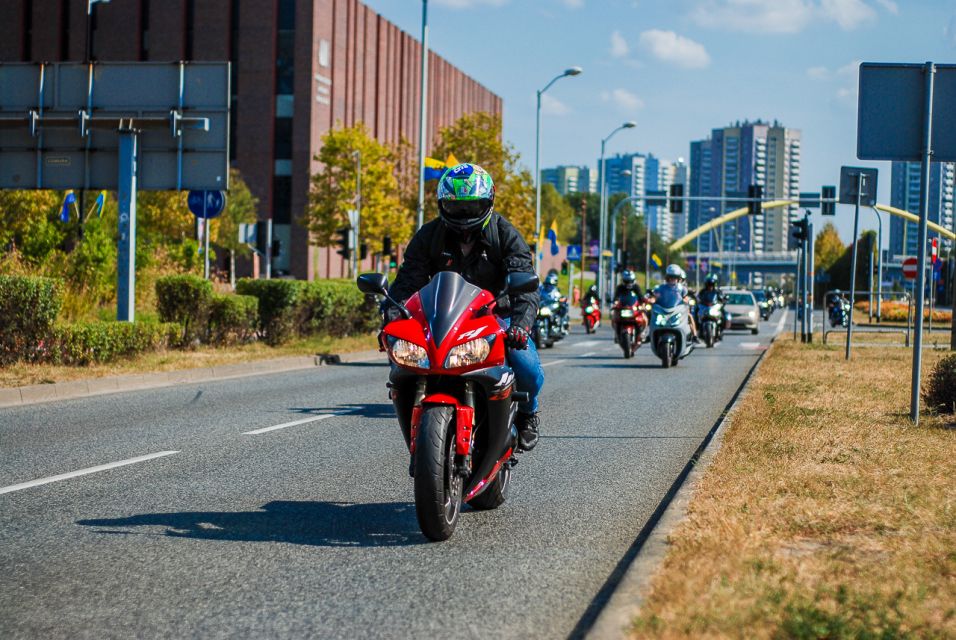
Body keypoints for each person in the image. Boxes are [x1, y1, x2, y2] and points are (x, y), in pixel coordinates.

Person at [385, 163, 544, 452]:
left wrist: (521, 325)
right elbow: (407, 281)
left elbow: (526, 285)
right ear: (443, 205)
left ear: (489, 202)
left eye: (472, 207)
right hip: (444, 317)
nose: (464, 214)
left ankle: (528, 413)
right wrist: (392, 314)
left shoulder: (505, 234)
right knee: (403, 364)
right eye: (456, 207)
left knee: (527, 367)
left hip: (496, 317)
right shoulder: (429, 235)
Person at [650, 264, 699, 342]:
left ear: (678, 279)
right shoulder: (661, 288)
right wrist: (652, 300)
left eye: (675, 277)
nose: (672, 279)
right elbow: (656, 297)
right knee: (652, 315)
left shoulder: (682, 289)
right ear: (667, 277)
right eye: (671, 277)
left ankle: (695, 335)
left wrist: (687, 300)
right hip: (664, 311)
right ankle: (650, 335)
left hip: (677, 310)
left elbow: (685, 297)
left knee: (689, 316)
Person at [611, 270, 644, 342]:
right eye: (627, 281)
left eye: (630, 281)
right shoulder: (620, 287)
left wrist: (642, 304)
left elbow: (641, 297)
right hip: (623, 307)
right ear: (623, 281)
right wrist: (615, 303)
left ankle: (642, 333)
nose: (629, 283)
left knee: (644, 317)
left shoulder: (636, 287)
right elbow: (616, 297)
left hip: (634, 308)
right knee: (614, 317)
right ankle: (616, 334)